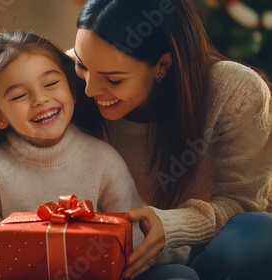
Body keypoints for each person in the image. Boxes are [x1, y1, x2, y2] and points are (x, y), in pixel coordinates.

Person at [71, 0, 272, 279]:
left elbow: (243, 205)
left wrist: (170, 226)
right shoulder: (62, 81)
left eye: (114, 79)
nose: (90, 89)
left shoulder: (235, 91)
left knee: (259, 231)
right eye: (82, 66)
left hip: (218, 250)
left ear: (162, 65)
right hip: (134, 257)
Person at [0, 29, 144, 280]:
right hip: (19, 272)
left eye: (50, 84)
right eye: (19, 96)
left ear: (71, 88)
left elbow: (133, 229)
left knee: (174, 273)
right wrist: (1, 257)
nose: (40, 99)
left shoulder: (103, 158)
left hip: (91, 272)